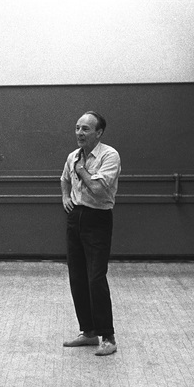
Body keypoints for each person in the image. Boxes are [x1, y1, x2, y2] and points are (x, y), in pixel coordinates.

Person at [60, 111, 121, 356]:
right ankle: (88, 332)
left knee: (95, 277)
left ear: (99, 133)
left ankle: (108, 336)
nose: (79, 133)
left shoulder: (110, 156)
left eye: (85, 129)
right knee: (77, 275)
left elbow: (97, 189)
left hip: (98, 218)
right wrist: (65, 196)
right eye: (77, 128)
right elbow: (64, 178)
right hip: (76, 217)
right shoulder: (72, 156)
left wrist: (82, 169)